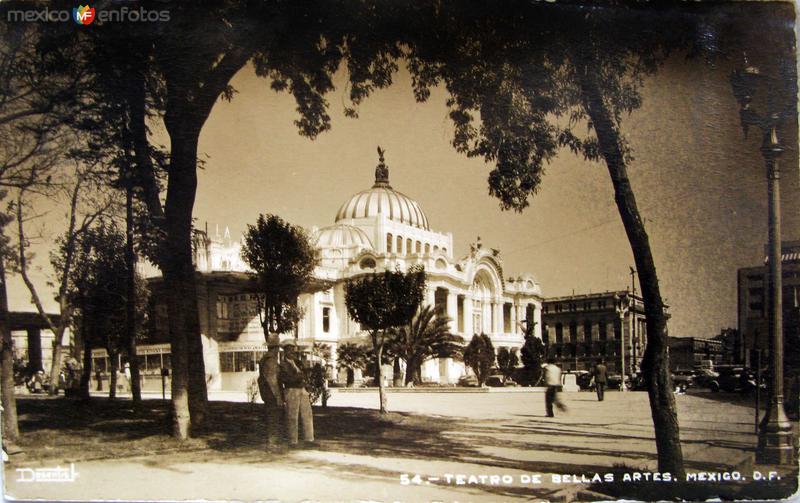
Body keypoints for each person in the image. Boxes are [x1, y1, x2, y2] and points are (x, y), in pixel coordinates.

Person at [279, 341, 315, 448]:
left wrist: (305, 381)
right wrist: (299, 377)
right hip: (291, 390)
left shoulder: (298, 362)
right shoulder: (282, 364)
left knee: (307, 414)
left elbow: (305, 374)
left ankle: (309, 439)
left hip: (302, 389)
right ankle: (292, 440)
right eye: (289, 349)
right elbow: (285, 379)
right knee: (292, 415)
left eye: (293, 348)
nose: (291, 351)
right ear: (284, 350)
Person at [257, 346, 285, 450]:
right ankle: (272, 444)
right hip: (272, 394)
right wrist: (278, 397)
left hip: (266, 394)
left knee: (270, 417)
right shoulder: (271, 361)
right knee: (273, 418)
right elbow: (273, 381)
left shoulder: (264, 359)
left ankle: (271, 442)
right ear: (276, 348)